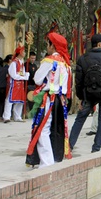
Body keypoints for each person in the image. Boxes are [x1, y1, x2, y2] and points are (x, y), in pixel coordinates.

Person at [25, 33, 72, 168]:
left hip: (49, 99)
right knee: (56, 129)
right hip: (60, 100)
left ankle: (46, 162)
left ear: (53, 45)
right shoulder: (66, 64)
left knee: (42, 129)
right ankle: (54, 158)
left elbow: (37, 79)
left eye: (48, 44)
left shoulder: (49, 61)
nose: (47, 47)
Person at [69, 34, 101, 153]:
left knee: (80, 119)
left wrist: (81, 97)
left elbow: (79, 81)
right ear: (99, 44)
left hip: (88, 94)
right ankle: (96, 148)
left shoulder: (83, 58)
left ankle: (69, 146)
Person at [3, 46, 30, 122]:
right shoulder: (14, 63)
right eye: (23, 51)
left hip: (20, 84)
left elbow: (23, 73)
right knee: (9, 100)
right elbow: (13, 75)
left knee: (20, 100)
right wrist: (24, 77)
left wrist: (26, 75)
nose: (24, 53)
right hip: (14, 84)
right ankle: (7, 116)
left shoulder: (21, 63)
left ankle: (17, 116)